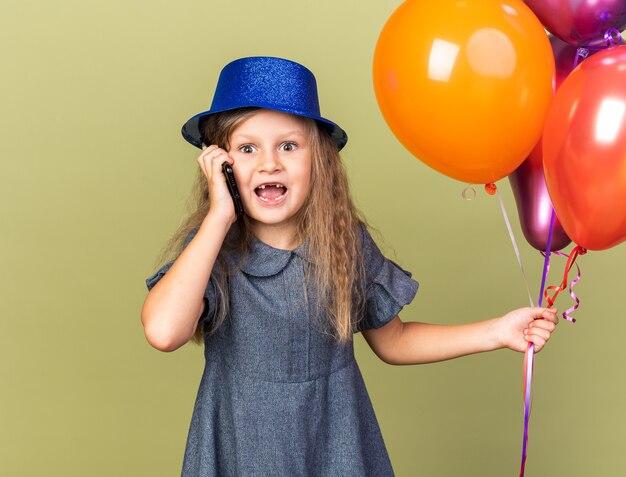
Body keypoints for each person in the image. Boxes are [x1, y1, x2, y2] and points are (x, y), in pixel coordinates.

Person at [141, 56, 558, 476]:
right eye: (247, 148)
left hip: (335, 444)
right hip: (240, 451)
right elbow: (163, 331)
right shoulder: (213, 254)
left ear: (318, 160)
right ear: (221, 166)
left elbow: (393, 342)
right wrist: (218, 218)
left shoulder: (345, 244)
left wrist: (498, 331)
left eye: (288, 145)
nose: (269, 163)